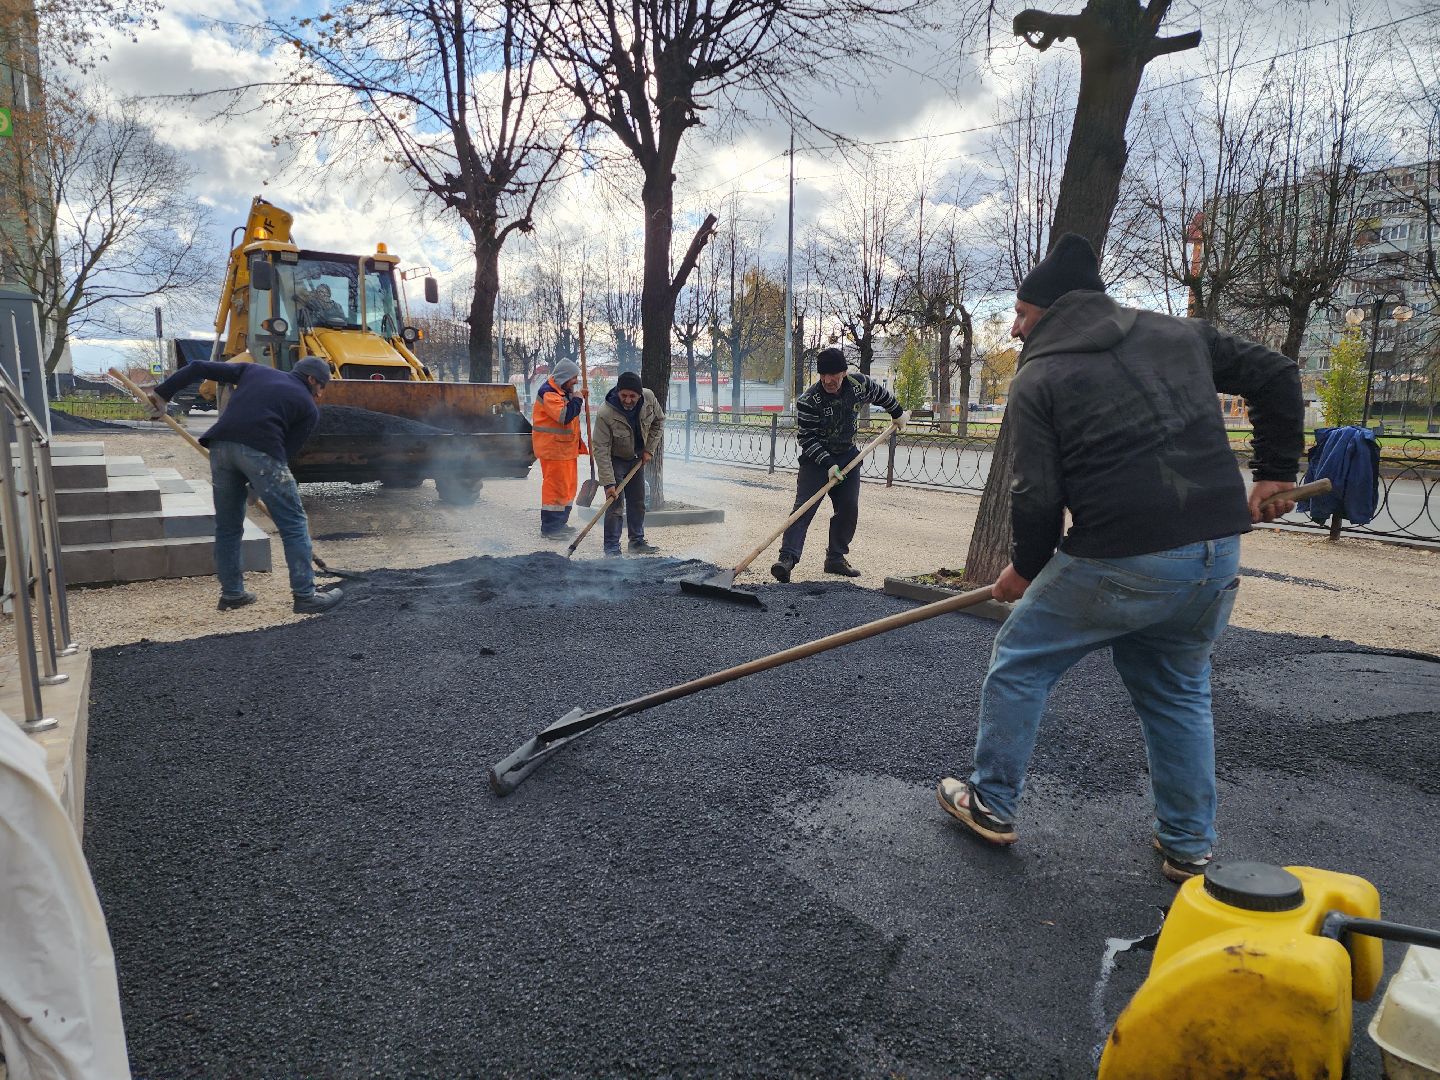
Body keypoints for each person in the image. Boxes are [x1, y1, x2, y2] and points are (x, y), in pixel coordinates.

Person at [933, 233, 1303, 883]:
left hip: (1121, 560)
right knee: (1177, 692)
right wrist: (1276, 471)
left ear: (1050, 311)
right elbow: (1276, 373)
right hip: (1213, 558)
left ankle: (990, 802)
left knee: (1021, 661)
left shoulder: (1039, 377)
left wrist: (1024, 567)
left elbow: (1036, 491)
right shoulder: (1180, 335)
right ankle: (1188, 847)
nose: (1015, 328)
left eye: (1020, 314)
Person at [147, 357, 345, 615]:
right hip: (262, 454)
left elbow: (197, 367)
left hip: (221, 447)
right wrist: (257, 485)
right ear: (311, 379)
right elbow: (284, 454)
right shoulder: (308, 408)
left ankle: (232, 594)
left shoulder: (254, 371)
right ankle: (306, 596)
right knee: (294, 524)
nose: (321, 393)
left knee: (228, 526)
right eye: (322, 386)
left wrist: (162, 395)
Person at [771, 347, 906, 582]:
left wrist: (897, 413)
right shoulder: (808, 401)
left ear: (843, 372)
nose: (828, 380)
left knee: (848, 509)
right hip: (816, 461)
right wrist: (828, 464)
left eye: (833, 374)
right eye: (823, 375)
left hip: (848, 457)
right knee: (803, 508)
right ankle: (787, 558)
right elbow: (806, 439)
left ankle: (835, 558)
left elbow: (881, 394)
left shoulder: (858, 384)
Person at [590, 370, 664, 556]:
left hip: (637, 458)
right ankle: (612, 548)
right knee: (614, 505)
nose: (628, 400)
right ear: (617, 392)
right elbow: (601, 450)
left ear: (639, 394)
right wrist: (608, 484)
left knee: (638, 501)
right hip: (615, 460)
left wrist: (649, 449)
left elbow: (659, 421)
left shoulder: (648, 398)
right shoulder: (605, 414)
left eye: (633, 396)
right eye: (624, 395)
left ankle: (637, 541)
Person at [531, 358, 588, 537]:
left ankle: (560, 524)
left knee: (567, 488)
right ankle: (550, 529)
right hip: (553, 450)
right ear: (564, 378)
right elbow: (564, 416)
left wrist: (577, 396)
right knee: (555, 489)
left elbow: (568, 404)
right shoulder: (549, 393)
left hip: (565, 451)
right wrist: (578, 400)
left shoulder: (560, 391)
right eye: (574, 377)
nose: (576, 381)